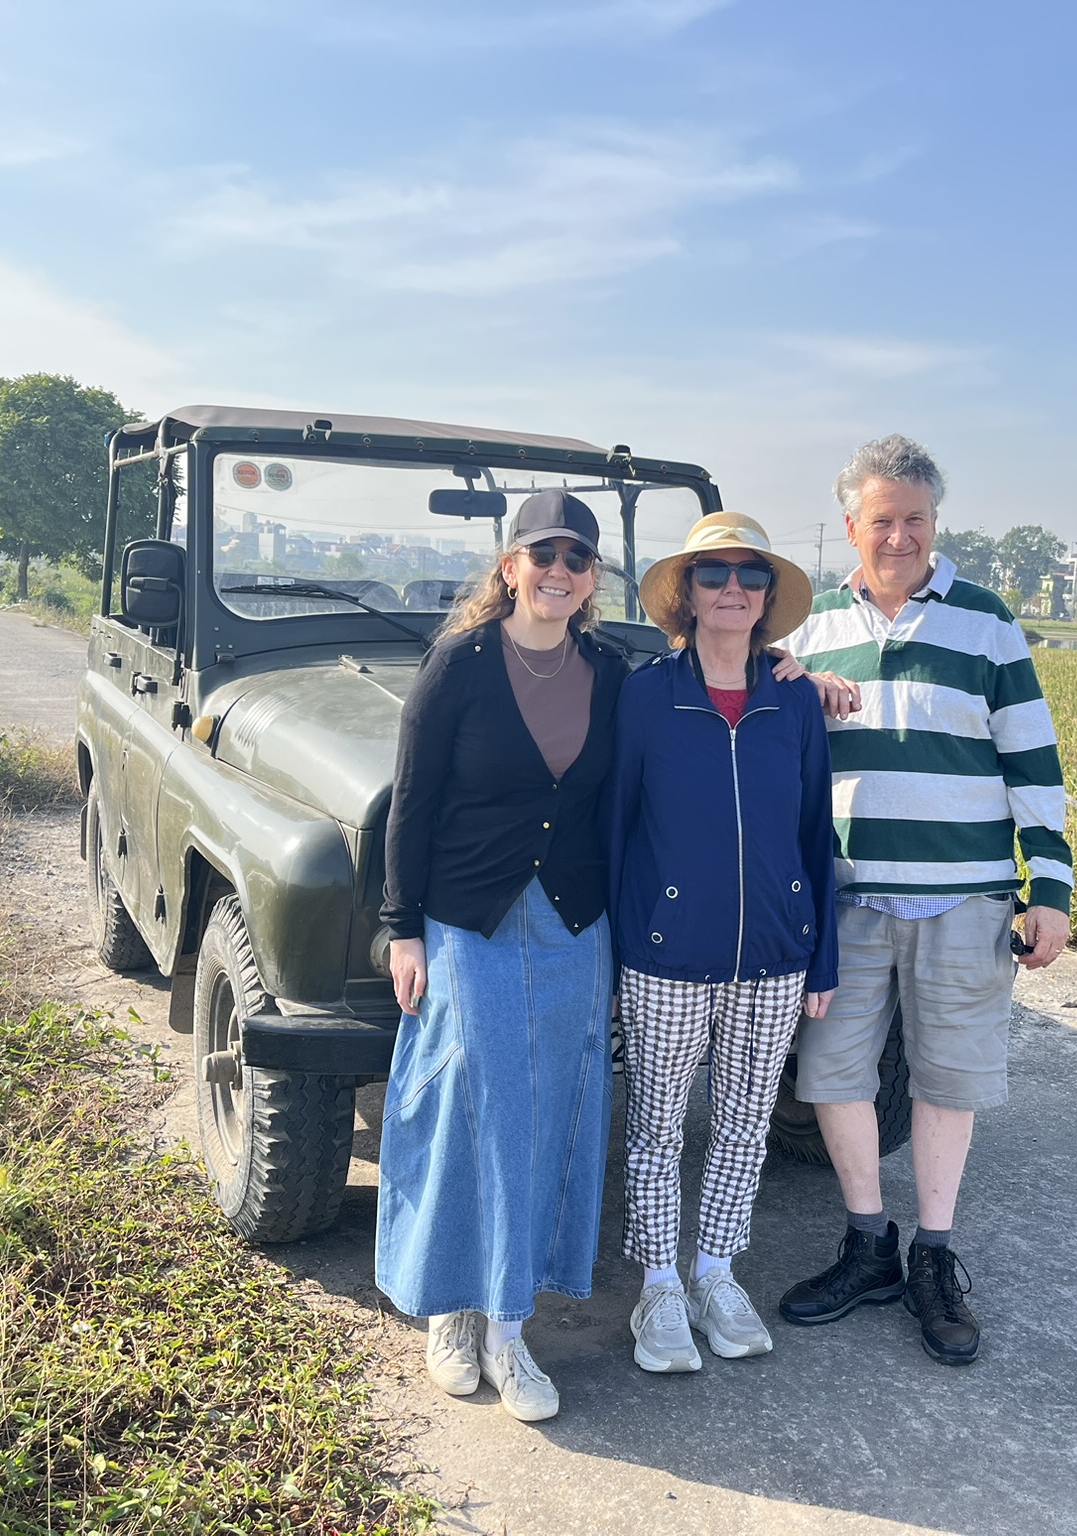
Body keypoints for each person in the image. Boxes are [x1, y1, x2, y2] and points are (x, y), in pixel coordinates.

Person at [777, 434, 1072, 1367]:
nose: (898, 536)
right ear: (850, 527)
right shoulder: (810, 633)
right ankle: (869, 1241)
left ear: (935, 524)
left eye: (914, 519)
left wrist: (1051, 888)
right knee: (834, 1072)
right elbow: (739, 702)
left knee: (950, 1078)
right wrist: (789, 685)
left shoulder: (988, 625)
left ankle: (935, 1257)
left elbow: (1032, 761)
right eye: (881, 520)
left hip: (965, 899)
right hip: (849, 896)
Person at [378, 489, 625, 1423]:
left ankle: (511, 1328)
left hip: (573, 925)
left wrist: (796, 673)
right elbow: (413, 805)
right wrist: (405, 930)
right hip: (469, 923)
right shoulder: (459, 666)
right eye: (542, 554)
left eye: (576, 558)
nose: (558, 571)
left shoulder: (610, 671)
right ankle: (452, 1307)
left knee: (553, 1111)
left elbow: (709, 681)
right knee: (473, 1106)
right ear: (509, 566)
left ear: (591, 578)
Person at [608, 514, 839, 1374]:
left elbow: (815, 831)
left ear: (769, 598)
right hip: (665, 953)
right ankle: (659, 1285)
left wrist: (823, 955)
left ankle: (717, 1271)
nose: (733, 588)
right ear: (688, 594)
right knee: (658, 1127)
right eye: (714, 574)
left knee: (744, 1127)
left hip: (776, 954)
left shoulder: (794, 702)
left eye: (750, 575)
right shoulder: (647, 695)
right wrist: (615, 947)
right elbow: (617, 826)